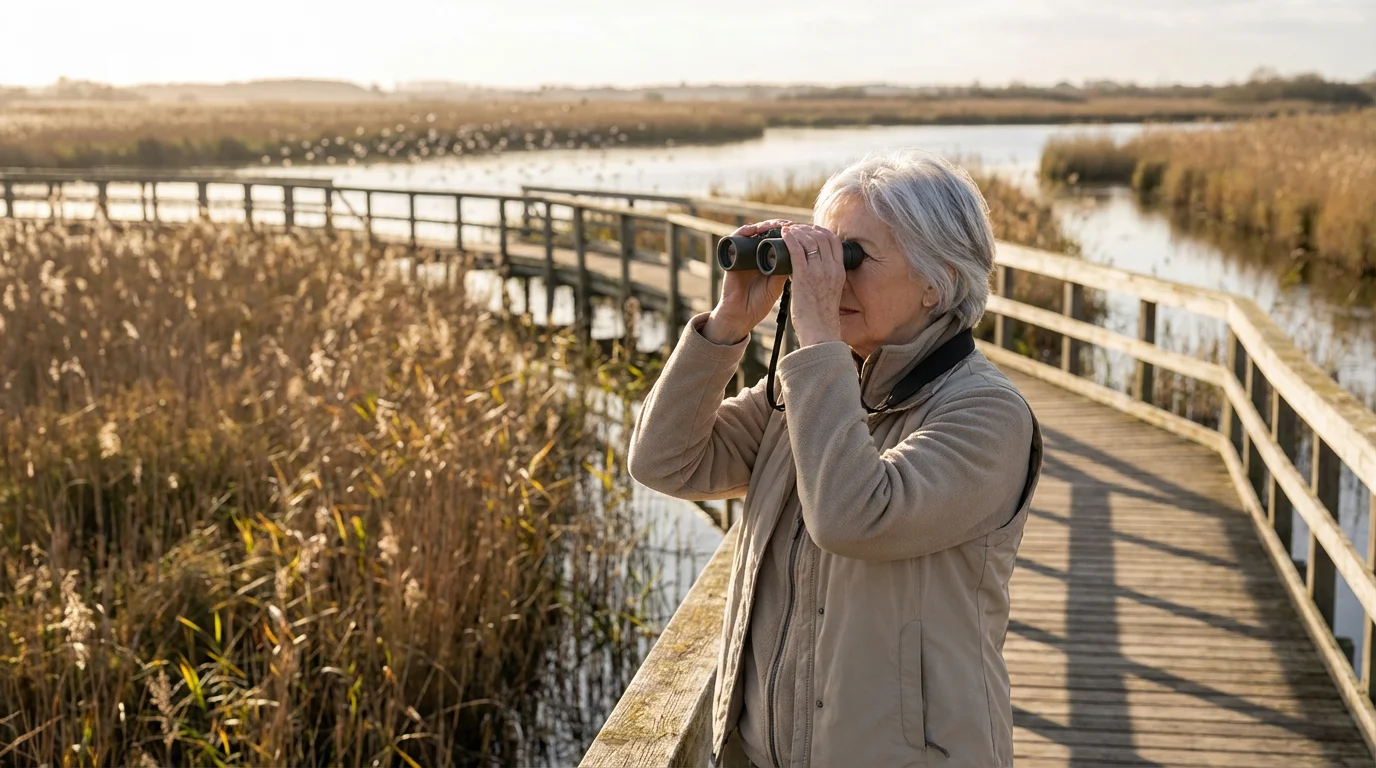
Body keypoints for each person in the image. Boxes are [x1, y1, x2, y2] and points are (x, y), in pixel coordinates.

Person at [627, 148, 1043, 768]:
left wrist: (817, 338)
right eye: (824, 255)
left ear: (939, 280)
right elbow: (665, 461)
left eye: (855, 258)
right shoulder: (807, 391)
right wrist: (729, 322)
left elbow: (853, 516)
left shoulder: (987, 415)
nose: (830, 279)